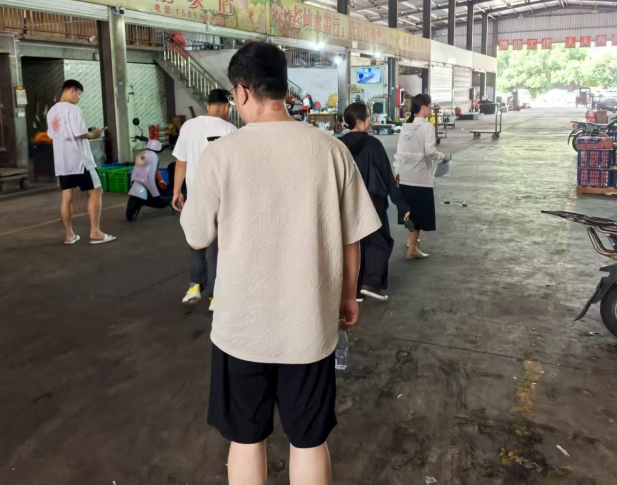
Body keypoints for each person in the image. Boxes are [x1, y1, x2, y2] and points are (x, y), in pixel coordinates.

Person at [180, 41, 380, 485]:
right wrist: (348, 297)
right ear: (284, 89)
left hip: (241, 329)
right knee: (309, 442)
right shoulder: (330, 150)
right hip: (308, 327)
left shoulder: (220, 154)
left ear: (242, 91)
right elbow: (352, 237)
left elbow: (196, 235)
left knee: (245, 440)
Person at [172, 88, 238, 312]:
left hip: (196, 196)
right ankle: (216, 297)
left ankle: (194, 286)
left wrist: (177, 191)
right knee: (219, 246)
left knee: (197, 242)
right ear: (226, 107)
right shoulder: (230, 129)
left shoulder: (188, 126)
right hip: (222, 197)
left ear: (208, 105)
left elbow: (181, 162)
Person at [340, 102, 410, 302]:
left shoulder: (338, 144)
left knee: (353, 243)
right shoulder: (373, 144)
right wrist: (400, 204)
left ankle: (354, 289)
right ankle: (371, 283)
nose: (370, 121)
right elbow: (387, 176)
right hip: (372, 200)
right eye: (368, 118)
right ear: (359, 122)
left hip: (346, 201)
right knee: (379, 240)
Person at [46, 79, 116, 245]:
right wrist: (94, 134)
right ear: (72, 90)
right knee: (96, 192)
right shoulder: (74, 109)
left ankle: (69, 235)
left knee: (67, 197)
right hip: (80, 161)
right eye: (79, 94)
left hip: (62, 163)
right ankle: (95, 232)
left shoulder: (52, 111)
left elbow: (52, 135)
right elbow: (79, 133)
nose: (79, 98)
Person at [394, 93, 449, 260]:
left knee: (409, 210)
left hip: (405, 175)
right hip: (420, 176)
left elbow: (399, 151)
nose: (430, 109)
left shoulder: (406, 126)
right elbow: (430, 151)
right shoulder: (427, 127)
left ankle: (410, 241)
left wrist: (397, 170)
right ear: (424, 107)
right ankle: (412, 248)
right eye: (429, 106)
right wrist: (444, 157)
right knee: (418, 212)